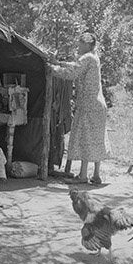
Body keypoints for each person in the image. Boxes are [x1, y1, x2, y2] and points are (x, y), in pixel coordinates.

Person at [52, 31, 110, 185]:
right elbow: (75, 65)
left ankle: (83, 175)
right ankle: (96, 175)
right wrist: (59, 63)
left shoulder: (87, 57)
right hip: (98, 104)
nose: (78, 46)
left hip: (89, 105)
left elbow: (73, 73)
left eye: (80, 43)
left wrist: (53, 69)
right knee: (96, 138)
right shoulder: (94, 57)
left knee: (86, 137)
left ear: (86, 44)